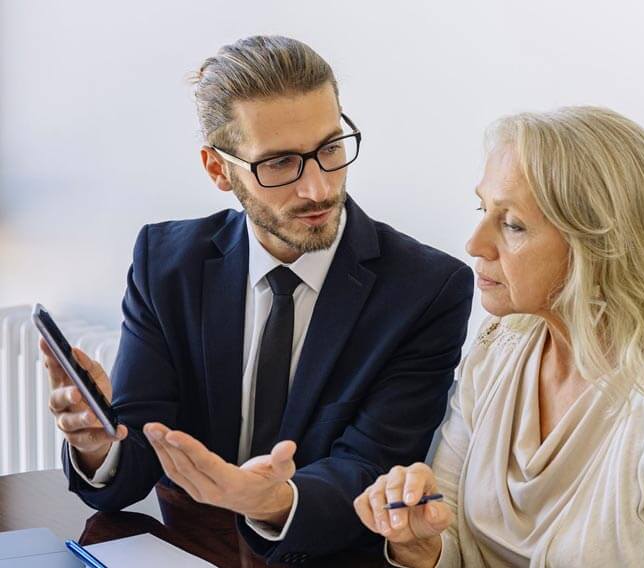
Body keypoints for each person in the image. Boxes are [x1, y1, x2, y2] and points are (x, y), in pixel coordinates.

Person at [40, 35, 473, 564]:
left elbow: (371, 466)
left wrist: (272, 501)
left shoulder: (427, 288)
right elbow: (130, 467)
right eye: (279, 163)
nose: (317, 189)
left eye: (331, 148)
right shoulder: (166, 262)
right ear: (218, 169)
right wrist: (95, 444)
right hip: (193, 547)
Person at [354, 107, 644, 567]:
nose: (474, 243)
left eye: (512, 224)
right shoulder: (500, 344)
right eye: (483, 210)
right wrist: (417, 542)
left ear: (599, 245)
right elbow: (449, 536)